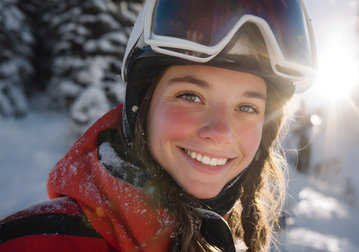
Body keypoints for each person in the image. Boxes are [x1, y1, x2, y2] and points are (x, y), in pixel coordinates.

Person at [0, 0, 317, 251]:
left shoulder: (224, 240)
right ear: (143, 106)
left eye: (247, 107)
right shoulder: (39, 242)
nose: (221, 132)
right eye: (190, 96)